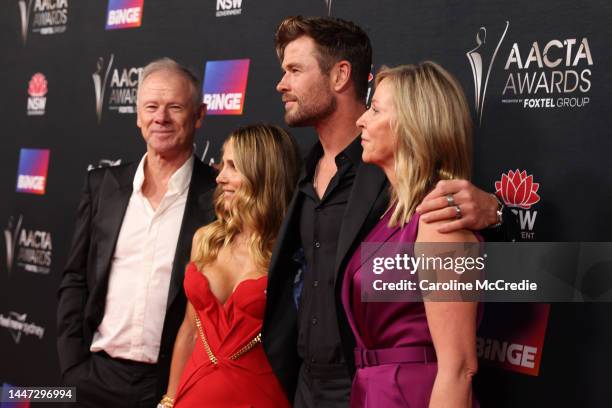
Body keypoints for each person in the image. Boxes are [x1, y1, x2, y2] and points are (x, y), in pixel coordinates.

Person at [262, 16, 505, 407]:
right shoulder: (314, 179)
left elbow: (458, 364)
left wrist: (498, 210)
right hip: (338, 386)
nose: (363, 121)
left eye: (295, 69)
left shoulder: (434, 216)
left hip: (400, 389)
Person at [56, 58, 216, 407]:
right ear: (138, 116)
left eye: (175, 107)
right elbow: (75, 278)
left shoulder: (218, 195)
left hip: (171, 385)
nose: (161, 117)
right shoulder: (103, 186)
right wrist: (73, 366)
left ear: (199, 115)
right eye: (151, 107)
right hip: (94, 377)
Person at [342, 62, 479, 407]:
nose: (361, 120)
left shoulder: (438, 224)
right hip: (375, 392)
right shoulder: (392, 215)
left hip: (414, 394)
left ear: (412, 125)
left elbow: (458, 367)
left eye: (374, 110)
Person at [160, 124, 301, 408]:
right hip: (193, 394)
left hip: (258, 397)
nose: (220, 176)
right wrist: (168, 400)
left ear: (263, 175)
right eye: (222, 163)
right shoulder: (207, 239)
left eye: (233, 166)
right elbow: (189, 330)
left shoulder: (290, 253)